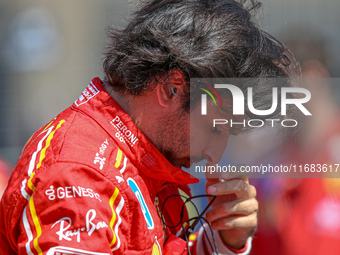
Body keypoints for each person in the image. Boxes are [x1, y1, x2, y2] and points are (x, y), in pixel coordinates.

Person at [0, 0, 295, 254]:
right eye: (215, 129)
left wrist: (223, 236)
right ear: (172, 89)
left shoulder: (143, 156)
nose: (215, 153)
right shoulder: (81, 173)